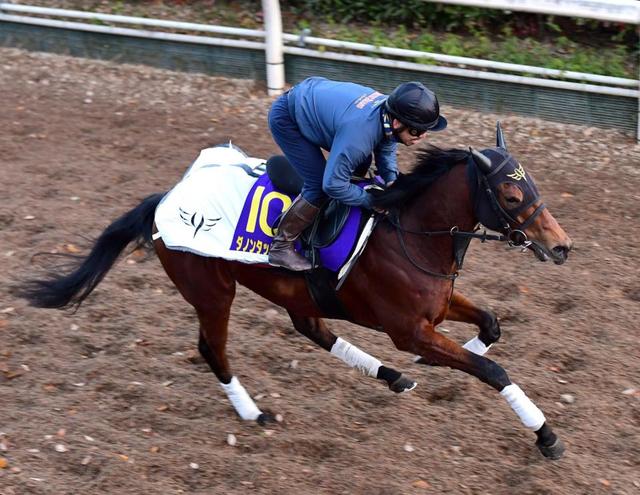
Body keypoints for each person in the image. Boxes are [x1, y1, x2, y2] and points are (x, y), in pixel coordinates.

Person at [267, 77, 448, 271]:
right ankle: (281, 247)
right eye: (418, 130)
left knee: (362, 161)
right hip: (287, 118)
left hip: (317, 103)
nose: (422, 136)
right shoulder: (359, 137)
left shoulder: (390, 112)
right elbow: (332, 184)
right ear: (397, 123)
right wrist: (371, 201)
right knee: (319, 185)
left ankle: (337, 208)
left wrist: (392, 181)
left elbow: (386, 146)